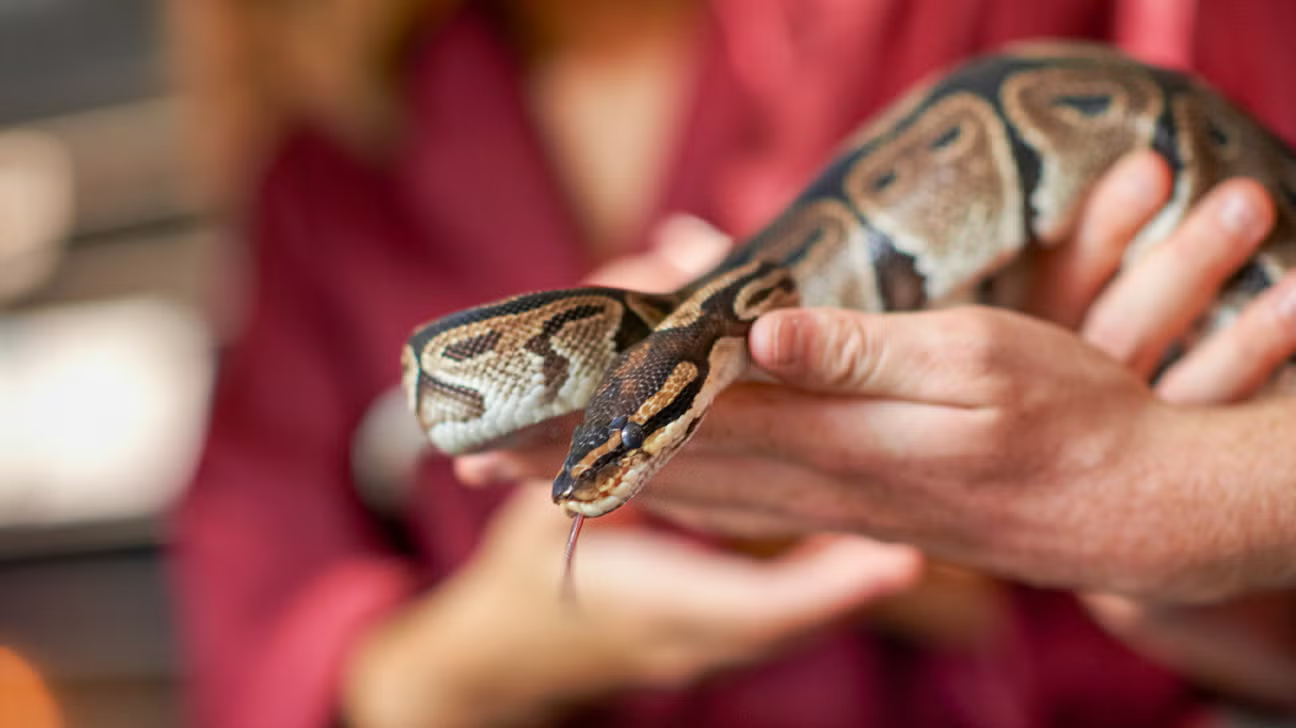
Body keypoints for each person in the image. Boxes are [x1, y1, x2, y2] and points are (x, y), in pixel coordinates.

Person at [170, 1, 1296, 726]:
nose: (605, 471)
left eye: (630, 440)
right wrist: (472, 659)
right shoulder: (329, 176)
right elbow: (246, 625)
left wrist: (1158, 509)